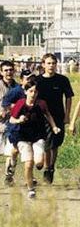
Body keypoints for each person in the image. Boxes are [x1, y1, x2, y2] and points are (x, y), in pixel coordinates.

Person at [9, 79, 61, 199]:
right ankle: (31, 189)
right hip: (23, 137)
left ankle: (37, 166)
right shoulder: (20, 103)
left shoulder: (41, 103)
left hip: (38, 136)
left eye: (36, 91)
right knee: (28, 164)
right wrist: (18, 120)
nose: (33, 94)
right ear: (25, 91)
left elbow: (48, 114)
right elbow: (11, 119)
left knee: (38, 163)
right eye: (31, 91)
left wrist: (54, 127)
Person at [36, 54, 74, 184]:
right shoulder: (38, 81)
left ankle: (51, 166)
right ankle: (47, 168)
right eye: (48, 63)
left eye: (53, 63)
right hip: (42, 116)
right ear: (43, 64)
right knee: (47, 143)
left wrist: (67, 114)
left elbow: (69, 97)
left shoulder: (62, 80)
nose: (51, 66)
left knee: (55, 144)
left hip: (58, 115)